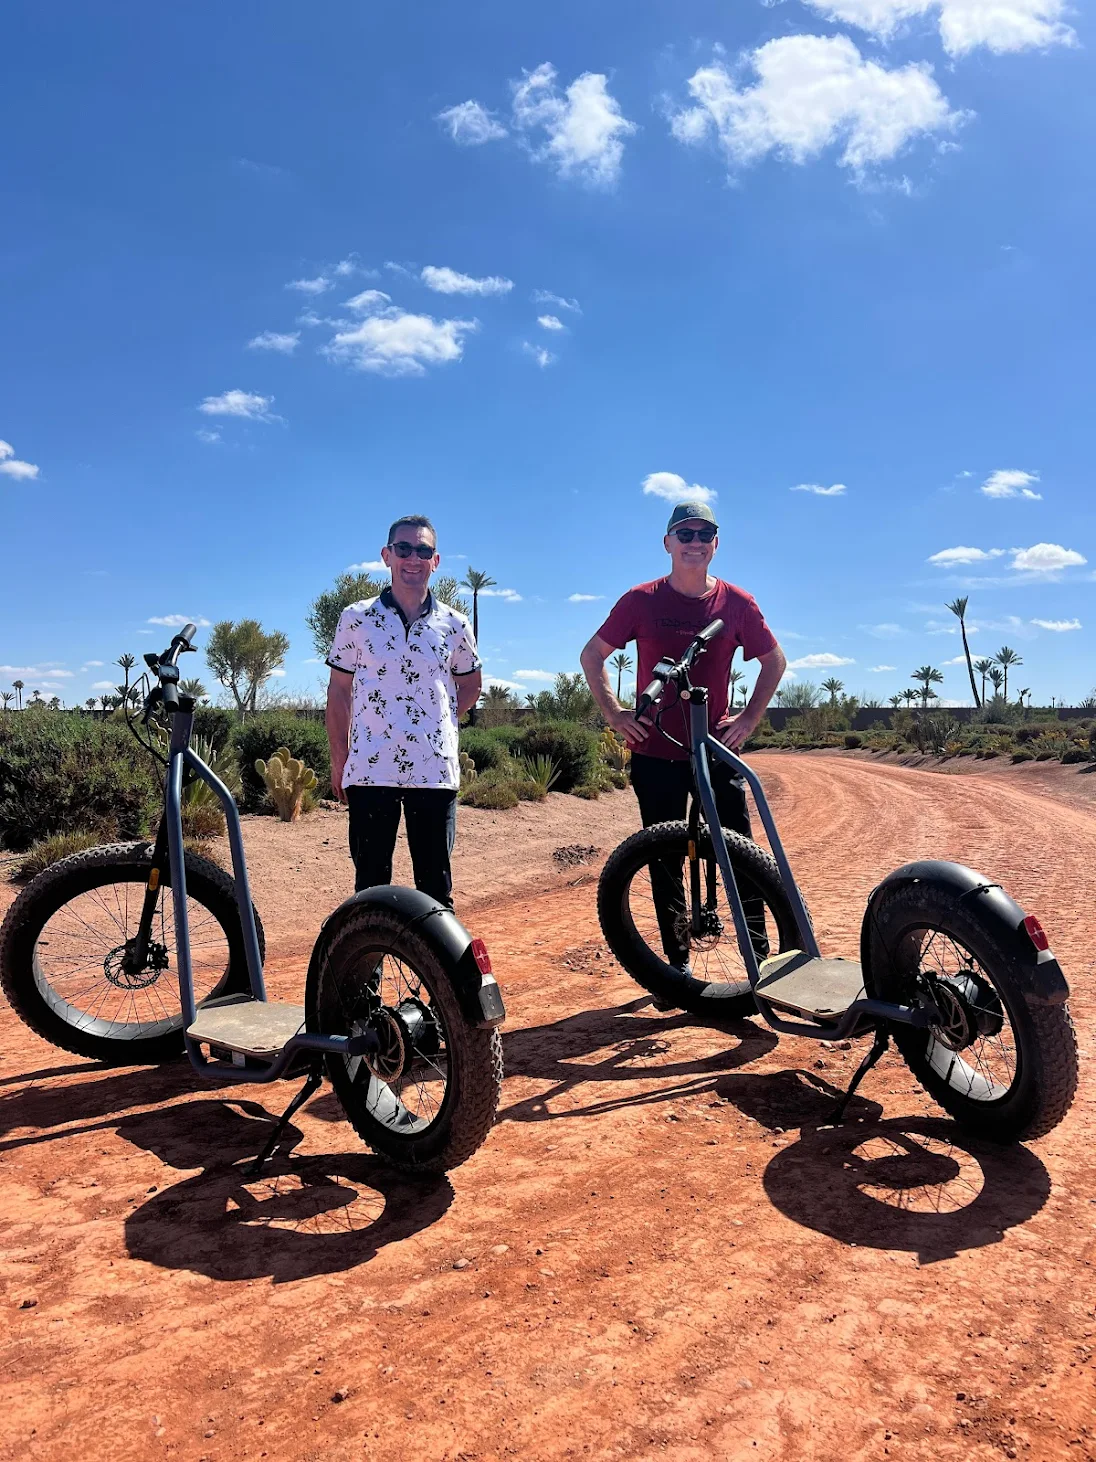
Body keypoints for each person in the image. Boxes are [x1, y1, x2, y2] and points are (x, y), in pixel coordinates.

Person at [579, 500, 786, 969]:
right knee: (663, 854)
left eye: (703, 535)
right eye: (685, 534)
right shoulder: (641, 600)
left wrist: (750, 719)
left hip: (714, 749)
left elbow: (774, 661)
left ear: (715, 544)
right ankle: (678, 964)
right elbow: (592, 655)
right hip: (655, 753)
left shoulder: (736, 603)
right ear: (668, 543)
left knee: (739, 848)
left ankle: (760, 956)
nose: (694, 543)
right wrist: (615, 715)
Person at [325, 514, 482, 907]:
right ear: (387, 555)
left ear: (436, 560)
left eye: (423, 550)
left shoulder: (455, 624)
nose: (413, 557)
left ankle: (436, 970)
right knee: (371, 890)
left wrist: (439, 723)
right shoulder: (355, 618)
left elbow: (472, 684)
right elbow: (339, 691)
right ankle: (368, 969)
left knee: (435, 892)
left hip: (434, 773)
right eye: (404, 549)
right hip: (370, 770)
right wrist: (339, 759)